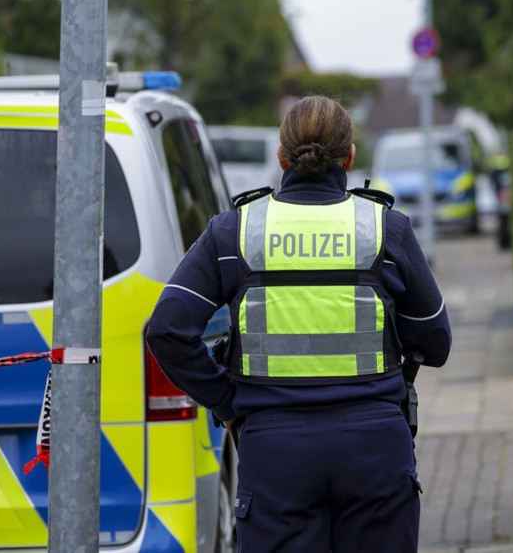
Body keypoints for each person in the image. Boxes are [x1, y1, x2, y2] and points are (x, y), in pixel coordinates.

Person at [146, 95, 451, 552]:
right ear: (349, 157)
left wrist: (227, 400)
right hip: (374, 447)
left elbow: (166, 330)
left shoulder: (234, 232)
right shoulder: (387, 229)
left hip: (274, 450)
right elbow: (436, 341)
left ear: (281, 156)